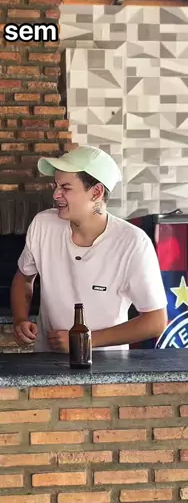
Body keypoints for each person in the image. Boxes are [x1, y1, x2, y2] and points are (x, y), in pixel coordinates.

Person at [11, 145, 168, 352]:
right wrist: (20, 319)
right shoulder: (43, 225)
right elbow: (24, 277)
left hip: (107, 366)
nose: (56, 194)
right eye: (56, 186)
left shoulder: (133, 243)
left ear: (96, 192)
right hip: (46, 360)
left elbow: (156, 321)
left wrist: (85, 340)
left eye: (66, 188)